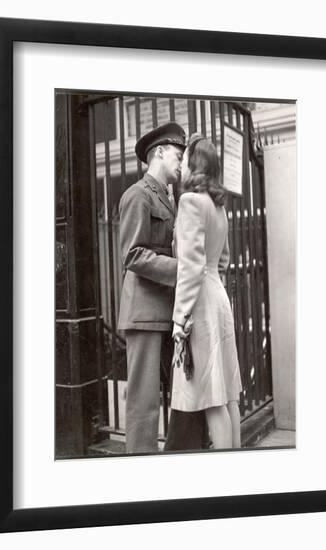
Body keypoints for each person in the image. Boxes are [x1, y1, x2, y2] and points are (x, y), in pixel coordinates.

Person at [169, 133, 243, 449]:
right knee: (228, 394)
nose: (182, 165)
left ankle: (227, 479)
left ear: (193, 164)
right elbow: (221, 261)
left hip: (200, 301)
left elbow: (189, 267)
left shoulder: (190, 202)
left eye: (184, 159)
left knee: (212, 396)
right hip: (217, 296)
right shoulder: (216, 207)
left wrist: (179, 317)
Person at [117, 122, 186, 453]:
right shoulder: (137, 195)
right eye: (178, 154)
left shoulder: (168, 198)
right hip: (144, 312)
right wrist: (182, 270)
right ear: (159, 152)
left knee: (178, 397)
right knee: (143, 405)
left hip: (164, 310)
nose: (182, 162)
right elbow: (132, 254)